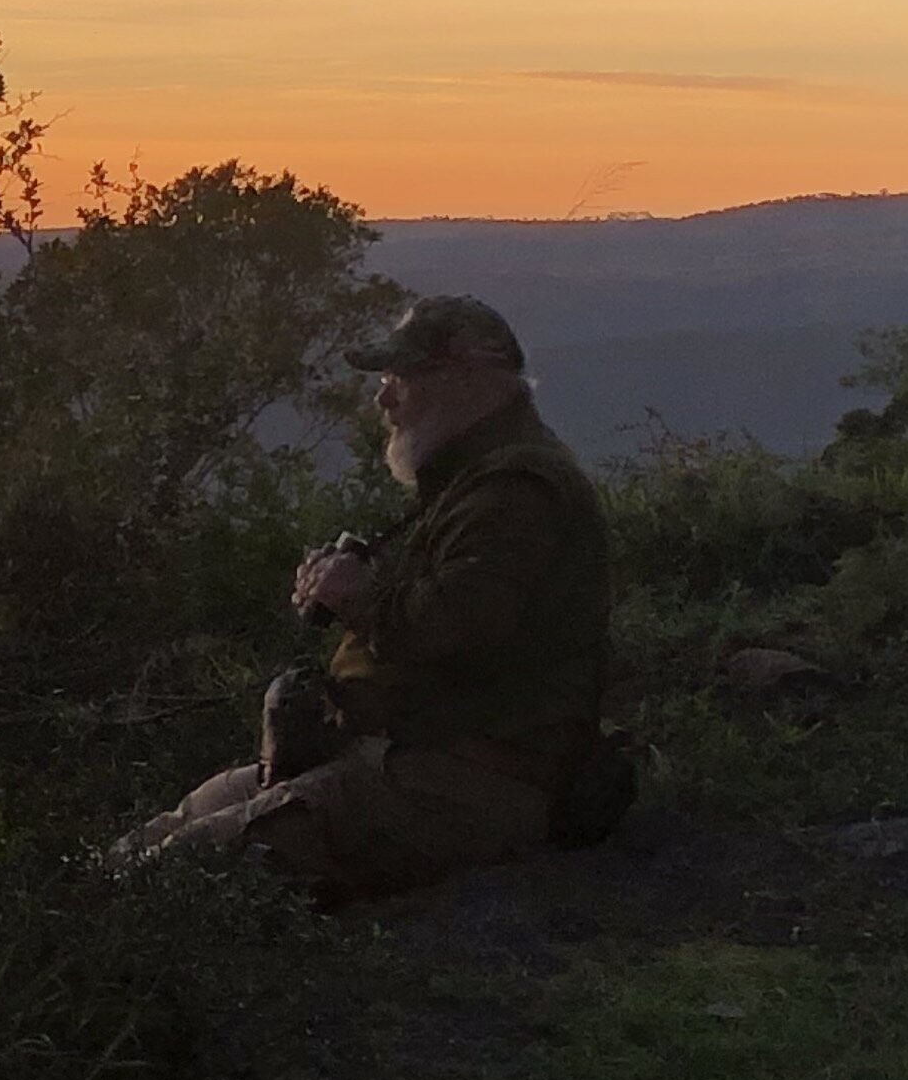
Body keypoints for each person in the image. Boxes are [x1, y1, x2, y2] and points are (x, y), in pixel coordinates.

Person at [104, 293, 612, 902]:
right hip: (404, 756)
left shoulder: (515, 493)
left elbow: (458, 630)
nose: (383, 399)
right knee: (167, 831)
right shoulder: (472, 482)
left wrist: (358, 596)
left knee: (176, 869)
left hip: (465, 782)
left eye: (400, 379)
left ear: (469, 379)